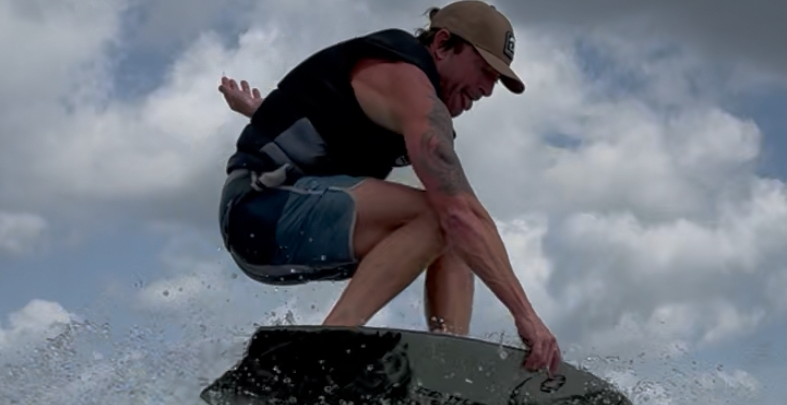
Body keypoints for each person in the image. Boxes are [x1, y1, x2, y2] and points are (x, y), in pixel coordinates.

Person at [218, 1, 561, 373]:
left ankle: (446, 370)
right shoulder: (405, 79)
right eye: (484, 70)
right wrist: (526, 317)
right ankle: (328, 346)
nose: (487, 90)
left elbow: (470, 218)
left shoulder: (414, 106)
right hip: (257, 211)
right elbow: (458, 213)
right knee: (445, 216)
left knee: (462, 233)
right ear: (444, 44)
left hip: (291, 222)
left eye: (496, 79)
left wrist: (263, 112)